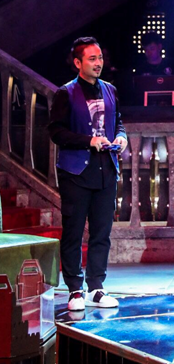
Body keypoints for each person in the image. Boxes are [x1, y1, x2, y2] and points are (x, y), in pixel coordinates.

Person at [48, 37, 128, 312]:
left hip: (106, 169)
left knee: (101, 232)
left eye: (100, 58)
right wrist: (88, 141)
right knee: (73, 232)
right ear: (78, 62)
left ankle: (96, 287)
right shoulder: (66, 93)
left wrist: (121, 137)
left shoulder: (110, 90)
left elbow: (118, 122)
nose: (98, 63)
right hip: (76, 172)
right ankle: (74, 289)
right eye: (92, 59)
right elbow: (56, 132)